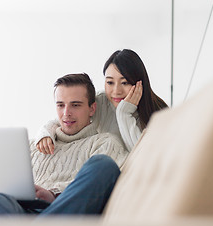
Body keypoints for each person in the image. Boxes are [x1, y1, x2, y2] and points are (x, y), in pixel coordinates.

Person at [0, 73, 128, 216]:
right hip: (21, 214)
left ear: (92, 108)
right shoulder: (31, 146)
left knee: (103, 165)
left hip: (63, 211)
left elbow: (101, 187)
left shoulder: (104, 143)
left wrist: (53, 194)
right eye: (60, 105)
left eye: (75, 105)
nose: (66, 113)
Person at [36, 49, 168, 154]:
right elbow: (63, 119)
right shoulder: (101, 101)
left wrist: (124, 114)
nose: (116, 91)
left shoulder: (159, 114)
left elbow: (142, 158)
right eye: (110, 82)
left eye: (125, 82)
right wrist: (45, 135)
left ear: (139, 83)